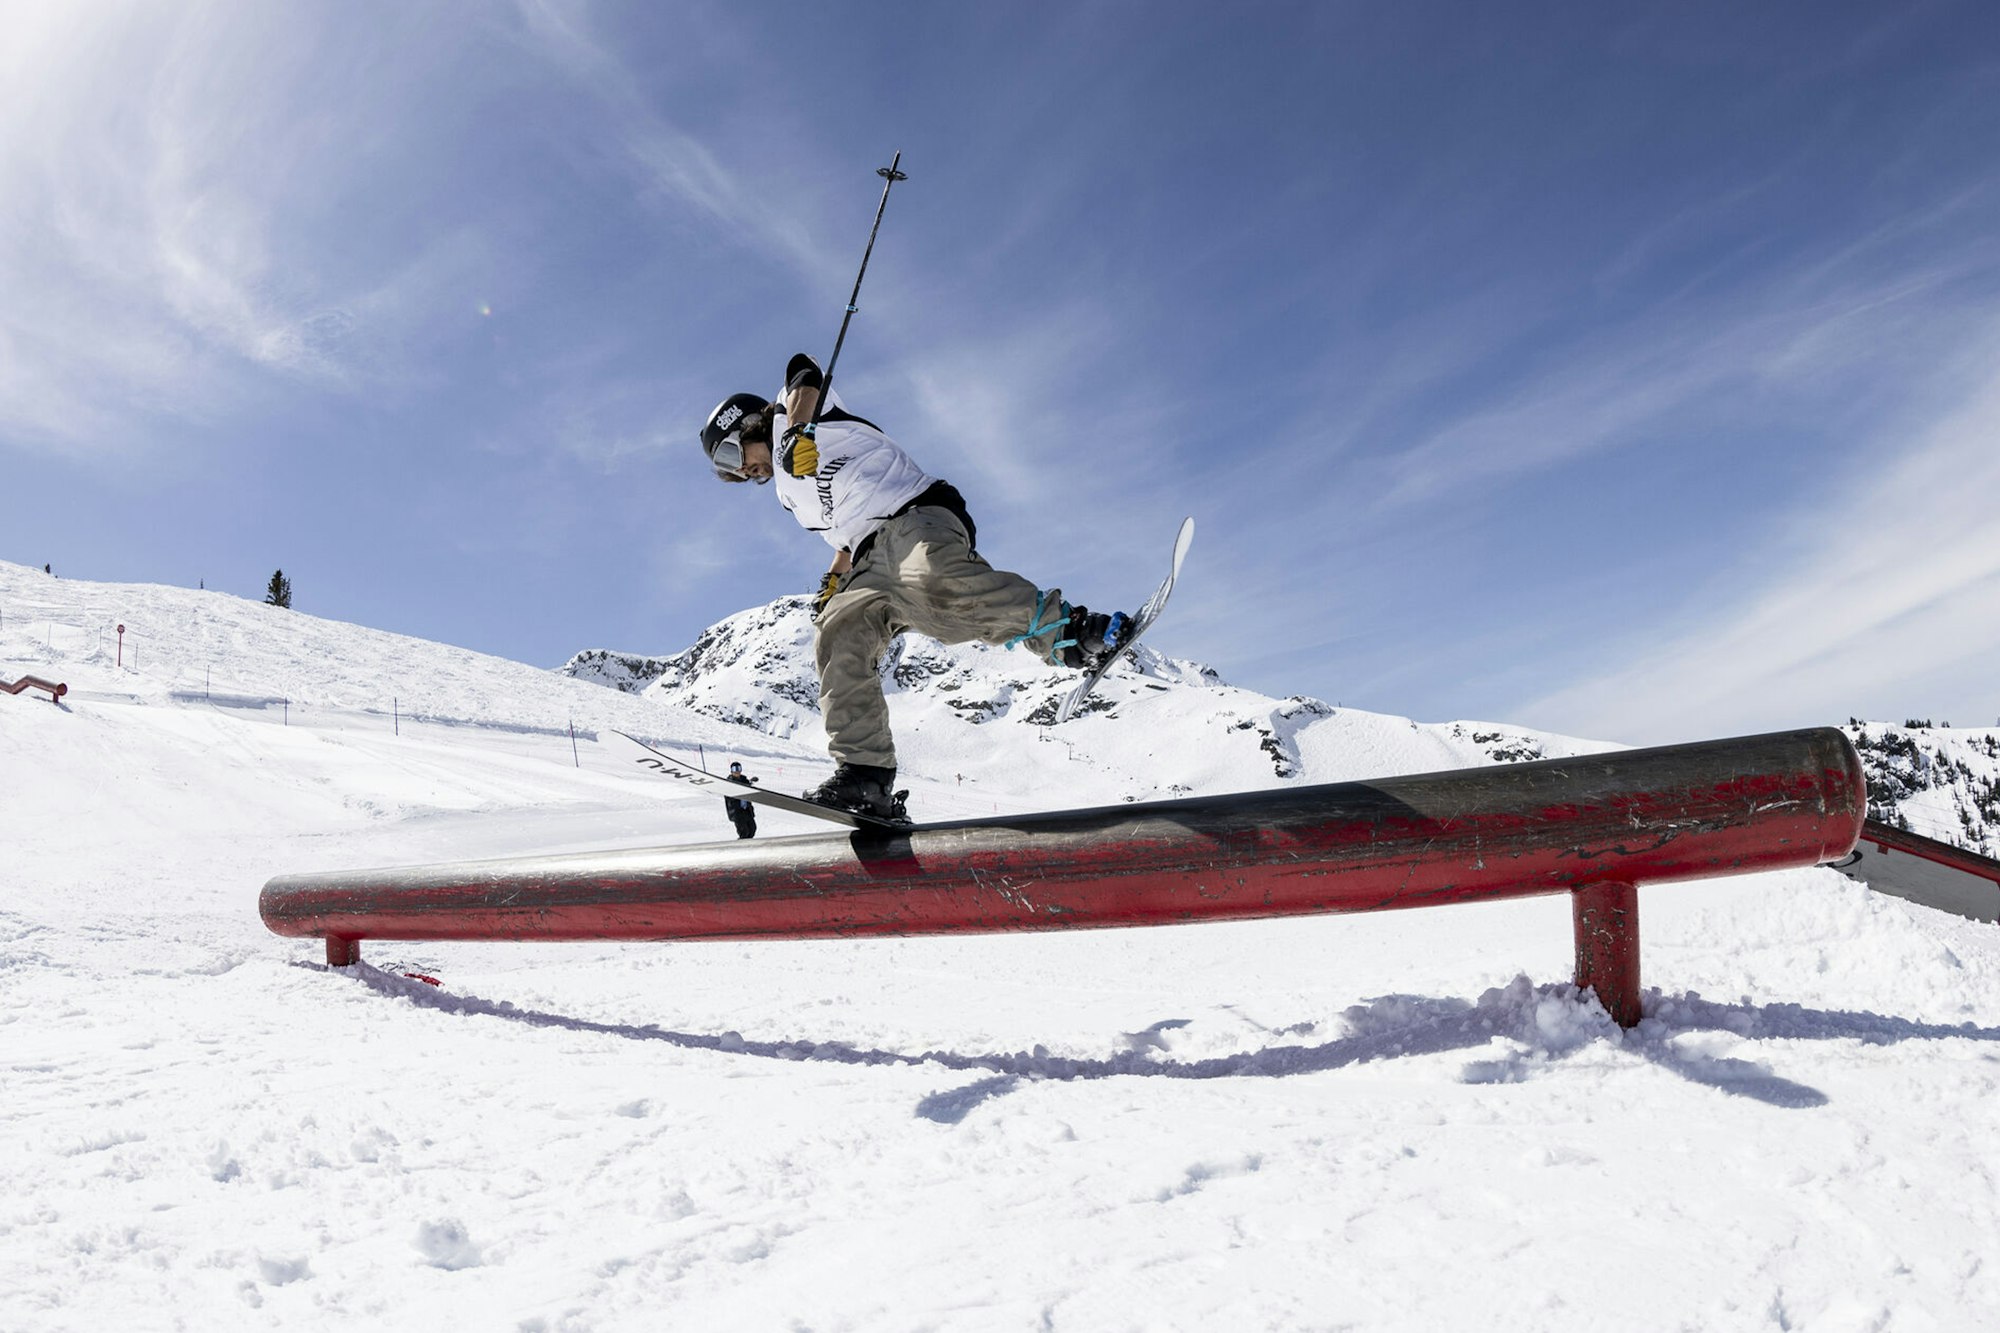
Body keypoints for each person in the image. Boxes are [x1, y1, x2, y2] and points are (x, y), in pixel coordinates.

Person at [699, 353, 1130, 819]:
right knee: (837, 632)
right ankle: (865, 776)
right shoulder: (789, 496)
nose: (741, 473)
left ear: (746, 426)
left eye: (732, 456)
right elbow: (845, 532)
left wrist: (800, 429)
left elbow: (804, 369)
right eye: (727, 472)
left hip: (912, 513)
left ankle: (1069, 635)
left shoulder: (792, 414)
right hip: (866, 554)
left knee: (932, 581)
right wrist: (835, 581)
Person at [723, 762, 758, 839]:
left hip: (747, 810)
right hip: (737, 811)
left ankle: (748, 845)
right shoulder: (729, 782)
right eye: (735, 769)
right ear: (731, 771)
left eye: (739, 769)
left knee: (752, 829)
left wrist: (751, 782)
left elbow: (748, 785)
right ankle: (741, 846)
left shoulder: (744, 780)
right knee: (744, 832)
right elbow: (728, 796)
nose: (737, 771)